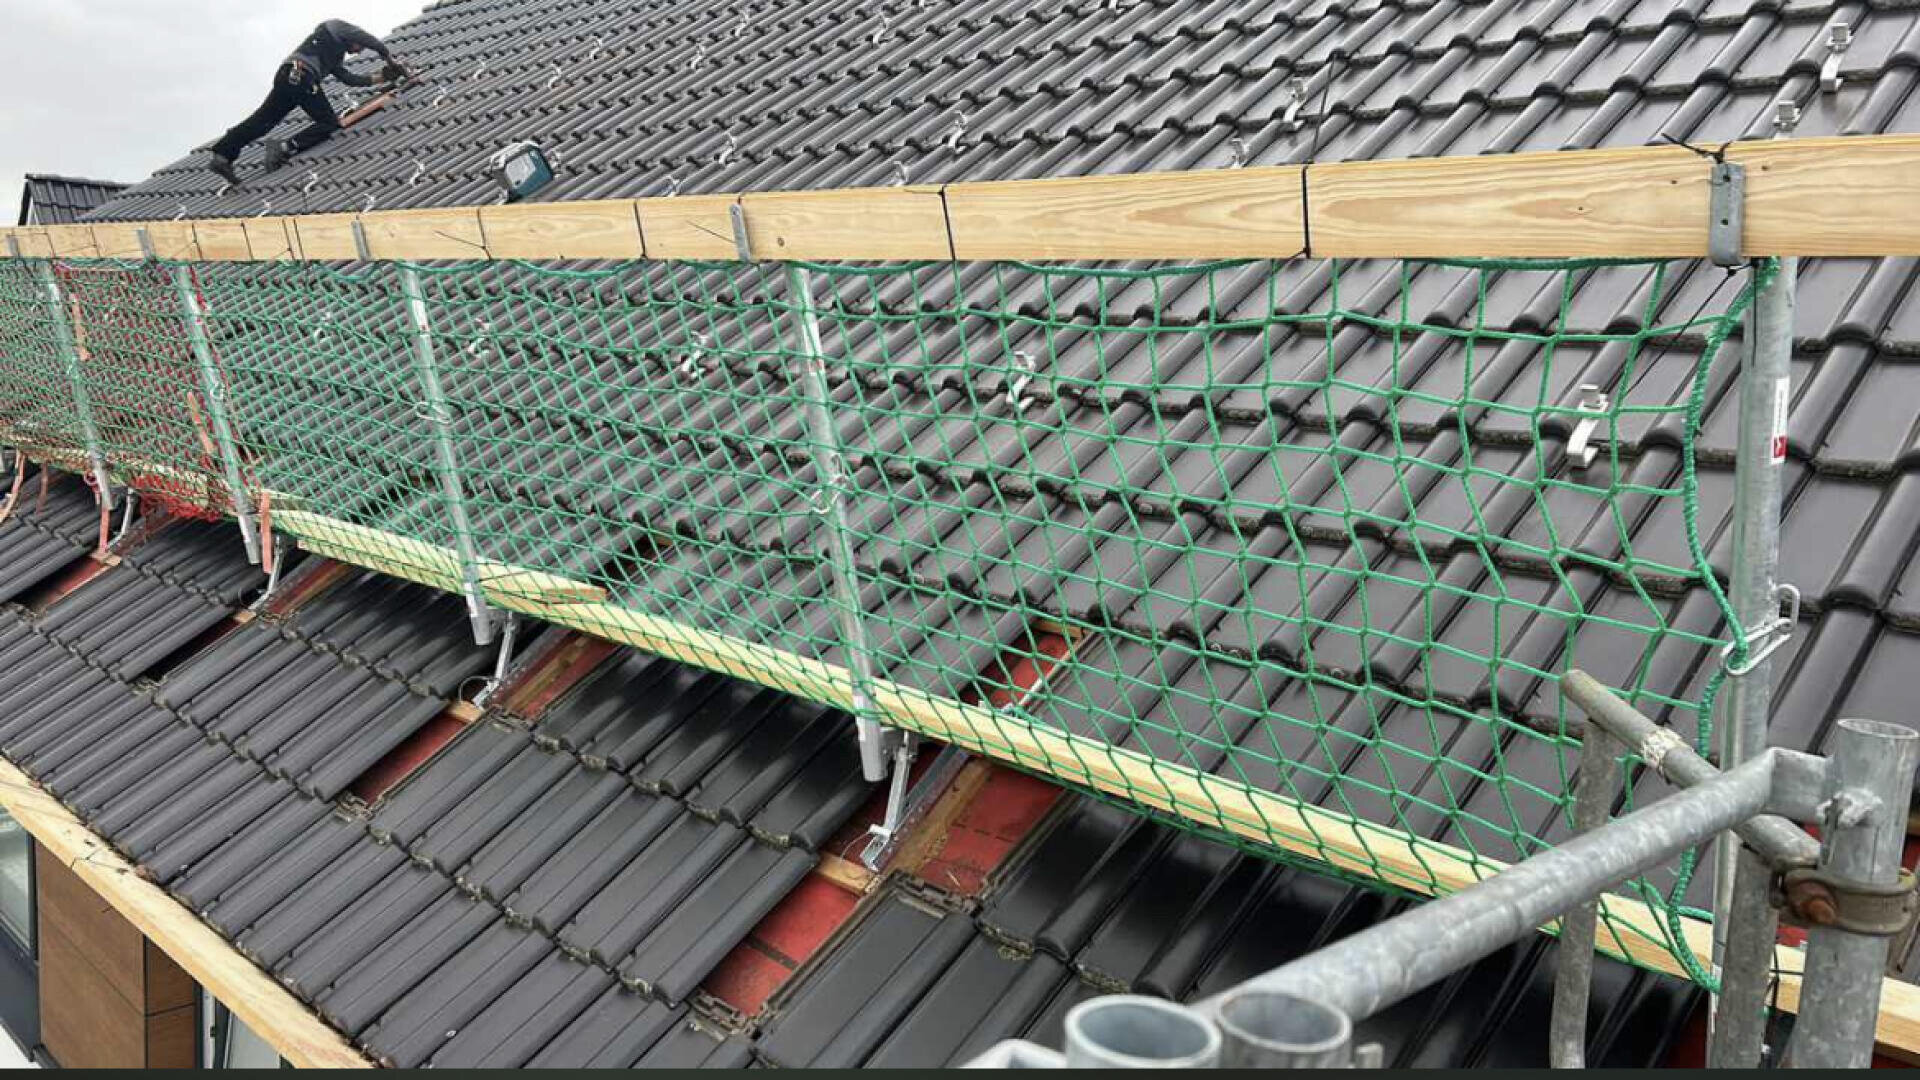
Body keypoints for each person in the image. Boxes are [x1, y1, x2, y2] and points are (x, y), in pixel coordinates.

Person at [206, 20, 409, 184]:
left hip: (289, 76)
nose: (358, 51)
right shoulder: (334, 28)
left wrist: (383, 78)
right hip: (301, 75)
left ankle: (222, 155)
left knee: (263, 121)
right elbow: (371, 40)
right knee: (329, 123)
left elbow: (350, 80)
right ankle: (284, 148)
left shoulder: (335, 55)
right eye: (359, 47)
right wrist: (390, 60)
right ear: (353, 37)